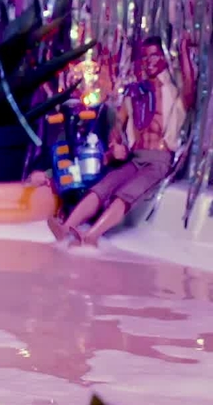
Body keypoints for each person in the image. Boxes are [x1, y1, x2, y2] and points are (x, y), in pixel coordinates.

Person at [45, 34, 197, 246]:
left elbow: (190, 87)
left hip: (159, 160)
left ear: (164, 57)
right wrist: (116, 144)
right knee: (101, 187)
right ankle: (65, 228)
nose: (149, 61)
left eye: (155, 55)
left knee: (125, 194)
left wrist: (183, 50)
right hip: (135, 157)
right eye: (145, 56)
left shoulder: (173, 92)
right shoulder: (135, 93)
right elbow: (118, 124)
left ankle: (92, 236)